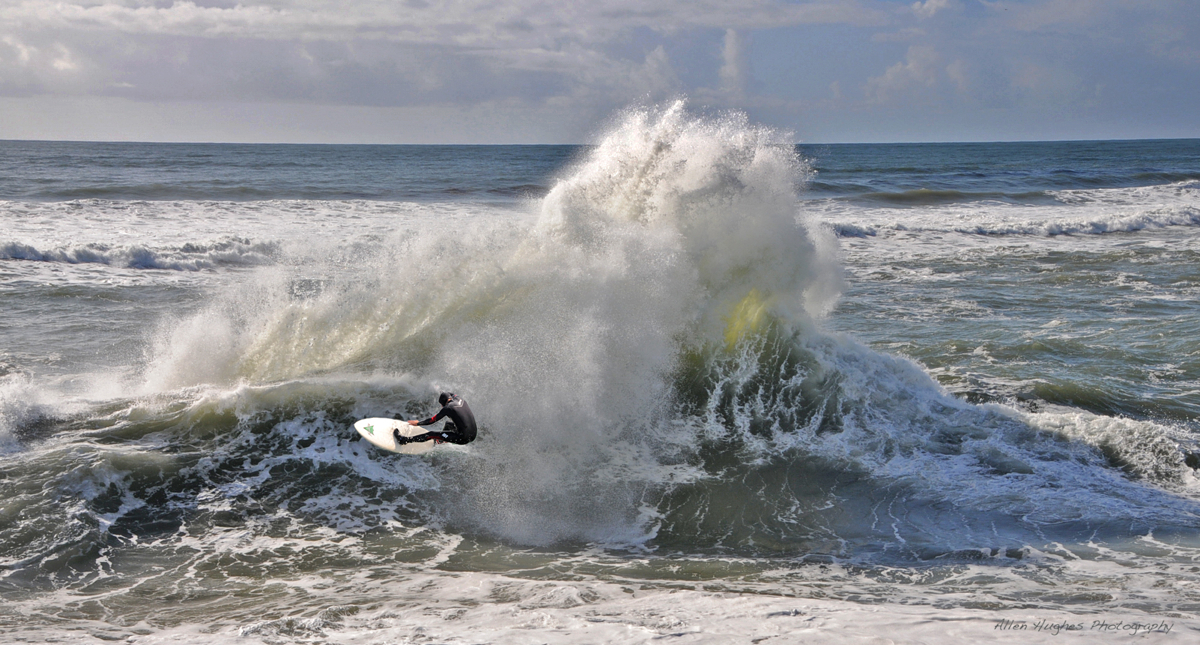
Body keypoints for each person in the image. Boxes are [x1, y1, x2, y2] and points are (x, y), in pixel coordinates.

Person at [395, 392, 476, 445]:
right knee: (448, 424)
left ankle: (403, 440)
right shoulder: (459, 399)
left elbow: (431, 420)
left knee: (431, 434)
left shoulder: (448, 408)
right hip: (473, 435)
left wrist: (418, 423)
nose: (441, 406)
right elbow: (451, 393)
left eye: (441, 404)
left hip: (463, 438)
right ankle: (440, 440)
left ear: (444, 403)